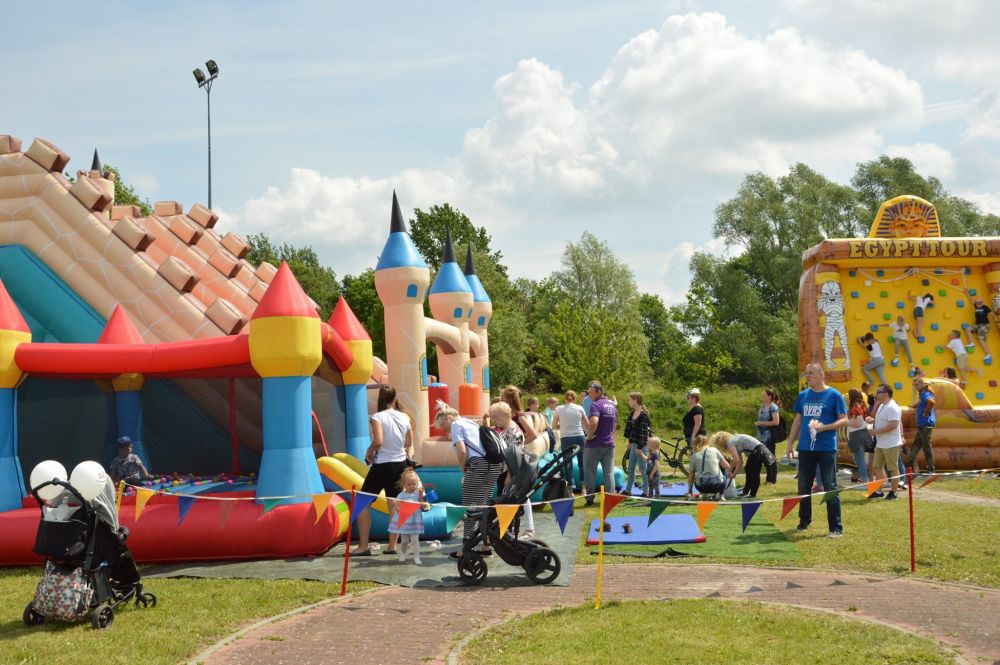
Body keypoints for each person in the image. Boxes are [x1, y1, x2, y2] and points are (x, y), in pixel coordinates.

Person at [786, 363, 847, 537]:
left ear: (821, 374)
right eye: (806, 373)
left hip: (826, 448)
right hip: (805, 447)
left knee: (830, 486)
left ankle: (835, 527)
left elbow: (844, 420)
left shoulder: (834, 395)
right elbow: (798, 420)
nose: (807, 376)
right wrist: (790, 443)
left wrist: (824, 427)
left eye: (811, 373)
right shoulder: (803, 396)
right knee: (803, 486)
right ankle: (804, 521)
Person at [352, 385, 413, 556]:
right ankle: (392, 545)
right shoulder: (405, 417)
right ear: (395, 399)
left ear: (380, 399)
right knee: (394, 504)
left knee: (362, 503)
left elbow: (378, 441)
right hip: (400, 464)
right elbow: (408, 443)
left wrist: (369, 450)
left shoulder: (377, 417)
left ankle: (363, 546)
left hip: (382, 465)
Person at [436, 402, 502, 558]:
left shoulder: (456, 425)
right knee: (483, 507)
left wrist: (463, 470)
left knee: (469, 509)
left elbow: (462, 452)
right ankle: (486, 545)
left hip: (478, 466)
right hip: (494, 466)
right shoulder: (470, 423)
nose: (444, 429)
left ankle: (465, 549)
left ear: (447, 418)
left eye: (443, 425)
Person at [490, 401, 535, 539]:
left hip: (510, 472)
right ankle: (508, 529)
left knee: (511, 500)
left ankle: (511, 530)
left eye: (495, 417)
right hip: (505, 471)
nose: (494, 420)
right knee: (513, 500)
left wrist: (509, 476)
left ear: (504, 415)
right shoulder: (505, 429)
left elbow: (515, 457)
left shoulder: (514, 432)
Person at [709, 431, 776, 499]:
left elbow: (736, 460)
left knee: (753, 473)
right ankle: (745, 492)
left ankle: (752, 494)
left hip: (757, 451)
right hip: (758, 450)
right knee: (749, 470)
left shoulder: (730, 442)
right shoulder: (735, 441)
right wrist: (734, 474)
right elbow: (740, 462)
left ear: (720, 442)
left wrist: (728, 470)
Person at [584, 381, 618, 506]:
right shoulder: (612, 406)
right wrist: (610, 435)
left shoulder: (596, 405)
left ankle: (590, 500)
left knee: (590, 473)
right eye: (589, 393)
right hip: (609, 444)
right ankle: (610, 499)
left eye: (592, 392)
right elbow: (615, 424)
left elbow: (593, 422)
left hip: (594, 444)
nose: (590, 395)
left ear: (599, 392)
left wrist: (589, 436)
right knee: (609, 473)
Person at [387, 467, 430, 565]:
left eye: (414, 484)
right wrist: (400, 510)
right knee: (404, 541)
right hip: (405, 520)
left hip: (415, 520)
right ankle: (403, 554)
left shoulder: (418, 493)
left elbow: (424, 505)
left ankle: (417, 557)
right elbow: (396, 506)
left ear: (417, 483)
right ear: (404, 484)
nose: (411, 486)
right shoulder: (401, 495)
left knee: (415, 540)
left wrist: (421, 496)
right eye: (409, 484)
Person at [868, 385, 903, 500]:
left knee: (892, 468)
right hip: (881, 443)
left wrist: (876, 431)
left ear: (886, 393)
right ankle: (879, 491)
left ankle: (893, 492)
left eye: (879, 391)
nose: (876, 394)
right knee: (877, 466)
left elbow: (893, 425)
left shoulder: (892, 407)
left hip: (891, 444)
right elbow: (881, 420)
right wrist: (872, 420)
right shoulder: (882, 405)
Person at [553, 390, 588, 492]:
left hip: (566, 437)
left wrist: (562, 426)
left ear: (565, 398)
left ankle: (570, 487)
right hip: (579, 436)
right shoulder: (580, 408)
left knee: (567, 463)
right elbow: (587, 423)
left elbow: (554, 425)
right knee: (582, 462)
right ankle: (584, 487)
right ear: (575, 399)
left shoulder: (559, 409)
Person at [501, 386, 547, 458]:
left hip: (515, 455)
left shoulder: (519, 416)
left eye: (503, 398)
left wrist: (517, 446)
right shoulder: (510, 415)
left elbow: (533, 435)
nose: (501, 401)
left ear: (510, 400)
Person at [623, 392, 652, 496]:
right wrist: (630, 442)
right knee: (630, 469)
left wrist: (639, 448)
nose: (629, 402)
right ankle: (628, 491)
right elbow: (630, 430)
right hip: (634, 444)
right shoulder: (632, 413)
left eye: (630, 400)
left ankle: (646, 491)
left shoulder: (643, 415)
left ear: (635, 400)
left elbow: (643, 433)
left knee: (643, 469)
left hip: (641, 446)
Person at [686, 434, 730, 500]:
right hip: (718, 485)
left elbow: (691, 476)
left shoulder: (694, 456)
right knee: (723, 468)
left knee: (695, 475)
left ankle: (703, 493)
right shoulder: (714, 450)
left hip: (702, 487)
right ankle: (721, 495)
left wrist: (690, 491)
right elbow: (727, 466)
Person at [908, 377, 936, 475]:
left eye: (917, 385)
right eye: (914, 385)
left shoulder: (924, 393)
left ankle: (931, 469)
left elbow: (931, 402)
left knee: (926, 447)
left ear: (923, 384)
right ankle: (910, 466)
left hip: (925, 424)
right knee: (917, 445)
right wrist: (914, 406)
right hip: (923, 425)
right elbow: (922, 402)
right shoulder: (924, 393)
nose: (916, 387)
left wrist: (925, 412)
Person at [846, 389, 872, 482]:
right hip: (863, 433)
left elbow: (856, 423)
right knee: (858, 459)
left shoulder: (855, 406)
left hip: (856, 435)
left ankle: (865, 480)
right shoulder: (862, 405)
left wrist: (845, 422)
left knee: (860, 460)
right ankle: (863, 477)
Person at [965, 295, 996, 361]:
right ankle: (971, 343)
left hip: (985, 325)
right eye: (977, 303)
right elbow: (971, 300)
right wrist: (967, 293)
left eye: (980, 303)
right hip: (978, 325)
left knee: (980, 339)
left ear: (982, 303)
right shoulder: (976, 307)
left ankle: (989, 354)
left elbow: (992, 314)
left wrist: (997, 321)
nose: (978, 304)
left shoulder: (985, 307)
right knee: (968, 329)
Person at [755, 388, 781, 458]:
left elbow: (776, 422)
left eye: (764, 395)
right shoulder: (763, 405)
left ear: (769, 396)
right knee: (761, 456)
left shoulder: (773, 407)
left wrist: (761, 423)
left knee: (770, 457)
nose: (762, 396)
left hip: (769, 437)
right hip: (760, 436)